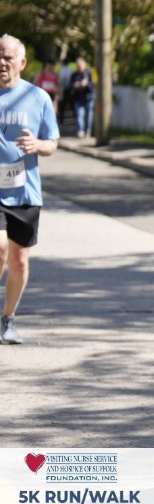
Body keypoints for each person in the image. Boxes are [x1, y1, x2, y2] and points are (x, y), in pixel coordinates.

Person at [0, 34, 60, 344]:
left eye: (7, 57)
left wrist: (37, 145)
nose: (2, 62)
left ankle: (7, 320)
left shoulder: (38, 98)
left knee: (19, 260)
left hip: (24, 191)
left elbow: (52, 143)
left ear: (22, 63)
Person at [68, 56, 95, 138]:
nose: (79, 67)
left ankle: (88, 131)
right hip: (78, 98)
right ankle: (80, 130)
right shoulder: (74, 74)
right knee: (79, 114)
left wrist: (87, 85)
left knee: (89, 115)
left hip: (89, 98)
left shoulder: (90, 73)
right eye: (78, 65)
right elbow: (70, 86)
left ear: (84, 64)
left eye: (80, 65)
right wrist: (75, 85)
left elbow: (94, 86)